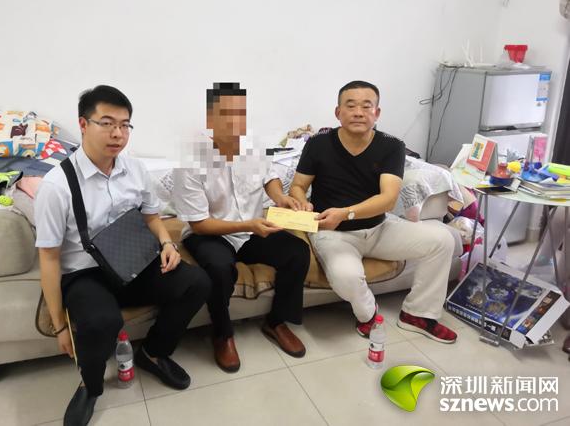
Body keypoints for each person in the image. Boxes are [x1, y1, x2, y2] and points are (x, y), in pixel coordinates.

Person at [35, 85, 210, 426]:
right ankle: (90, 385)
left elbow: (152, 217)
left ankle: (154, 353)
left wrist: (167, 244)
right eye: (107, 123)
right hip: (85, 272)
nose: (117, 133)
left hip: (132, 259)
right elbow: (49, 258)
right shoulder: (57, 186)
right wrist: (59, 326)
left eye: (125, 125)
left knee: (196, 282)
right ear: (83, 124)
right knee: (102, 321)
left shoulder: (135, 169)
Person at [289, 80, 458, 344]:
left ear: (376, 113)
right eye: (351, 106)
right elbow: (298, 186)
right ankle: (368, 314)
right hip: (333, 233)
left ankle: (418, 314)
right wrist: (302, 203)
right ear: (338, 112)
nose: (358, 112)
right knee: (346, 277)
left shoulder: (392, 145)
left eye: (366, 106)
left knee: (444, 240)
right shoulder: (318, 144)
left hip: (380, 228)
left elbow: (388, 199)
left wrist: (345, 213)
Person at [171, 82, 310, 372]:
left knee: (297, 251)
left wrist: (280, 198)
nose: (234, 122)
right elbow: (199, 223)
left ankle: (276, 322)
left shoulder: (252, 147)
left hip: (251, 229)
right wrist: (248, 224)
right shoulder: (190, 161)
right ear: (210, 118)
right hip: (212, 232)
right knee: (219, 268)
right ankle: (222, 335)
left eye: (240, 114)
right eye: (225, 114)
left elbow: (269, 177)